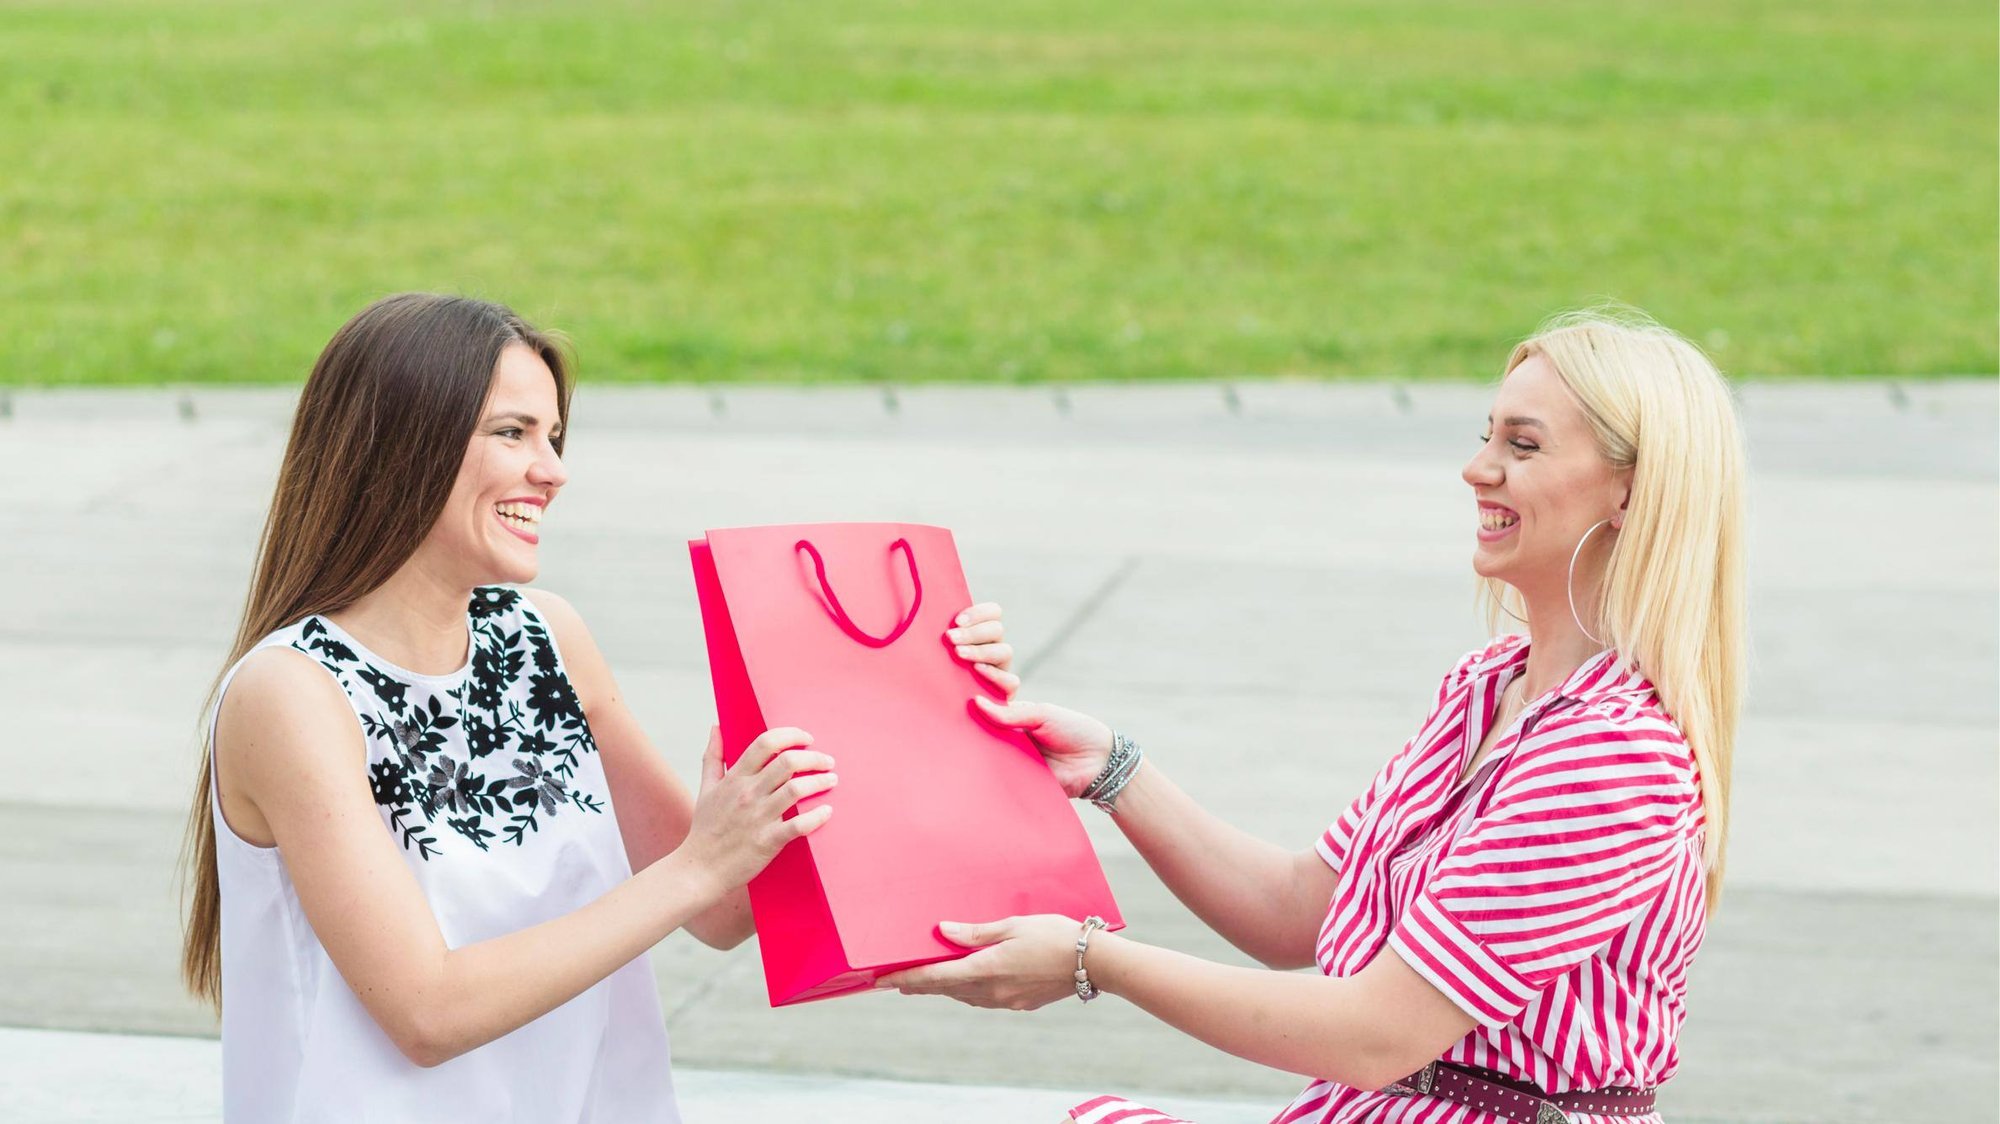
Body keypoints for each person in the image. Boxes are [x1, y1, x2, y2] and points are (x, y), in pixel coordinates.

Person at [882, 309, 1746, 1124]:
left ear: (1630, 493)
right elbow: (1299, 910)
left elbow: (1377, 1034)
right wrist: (1112, 770)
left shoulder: (1613, 755)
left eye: (1522, 446)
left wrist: (1091, 959)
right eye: (1485, 436)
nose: (1477, 469)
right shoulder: (1489, 690)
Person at [176, 292, 1017, 1121]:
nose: (552, 470)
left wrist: (906, 692)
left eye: (554, 436)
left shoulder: (545, 638)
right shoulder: (291, 693)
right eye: (513, 433)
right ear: (401, 443)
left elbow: (722, 910)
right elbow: (427, 1011)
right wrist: (701, 862)